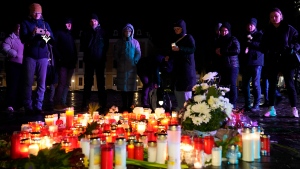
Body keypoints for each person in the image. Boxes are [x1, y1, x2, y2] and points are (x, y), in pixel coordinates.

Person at [260, 7, 299, 117]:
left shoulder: (288, 28)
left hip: (287, 59)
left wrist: (292, 48)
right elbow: (262, 44)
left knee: (290, 84)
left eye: (275, 16)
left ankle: (294, 108)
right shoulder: (267, 29)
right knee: (272, 84)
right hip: (273, 59)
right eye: (271, 17)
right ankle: (271, 108)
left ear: (280, 16)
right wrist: (266, 50)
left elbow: (297, 41)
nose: (273, 18)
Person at [20, 3, 54, 114]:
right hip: (30, 56)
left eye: (38, 13)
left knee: (42, 82)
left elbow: (52, 41)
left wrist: (47, 36)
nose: (36, 15)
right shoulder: (25, 23)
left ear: (41, 13)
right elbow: (23, 39)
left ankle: (38, 105)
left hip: (43, 56)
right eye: (34, 12)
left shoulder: (45, 24)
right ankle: (28, 106)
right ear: (31, 12)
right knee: (28, 82)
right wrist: (33, 34)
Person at [80, 14, 109, 113]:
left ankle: (103, 104)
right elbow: (83, 46)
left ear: (98, 22)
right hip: (89, 60)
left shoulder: (103, 33)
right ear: (90, 22)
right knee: (87, 83)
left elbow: (106, 47)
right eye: (91, 21)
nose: (93, 23)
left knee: (101, 84)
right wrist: (92, 36)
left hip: (100, 61)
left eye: (95, 21)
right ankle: (85, 104)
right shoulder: (86, 32)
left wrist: (103, 57)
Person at [168, 19, 197, 111]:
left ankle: (188, 110)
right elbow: (173, 53)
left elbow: (192, 49)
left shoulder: (188, 37)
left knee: (186, 89)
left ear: (183, 29)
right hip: (177, 69)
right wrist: (169, 57)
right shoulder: (174, 39)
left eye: (178, 29)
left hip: (186, 69)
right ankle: (180, 108)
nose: (176, 31)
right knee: (178, 88)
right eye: (175, 29)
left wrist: (180, 48)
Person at [114, 23, 141, 112]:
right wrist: (118, 61)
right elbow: (116, 53)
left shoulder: (135, 42)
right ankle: (124, 105)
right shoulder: (119, 42)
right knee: (123, 89)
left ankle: (130, 105)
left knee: (131, 88)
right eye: (126, 31)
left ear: (131, 32)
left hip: (131, 68)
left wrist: (135, 61)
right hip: (122, 67)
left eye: (129, 31)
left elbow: (138, 53)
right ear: (123, 32)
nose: (127, 32)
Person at [53, 17, 78, 110]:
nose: (69, 25)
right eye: (67, 23)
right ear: (64, 24)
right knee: (62, 83)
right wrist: (59, 58)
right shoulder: (59, 33)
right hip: (63, 63)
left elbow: (74, 49)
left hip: (71, 63)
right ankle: (57, 102)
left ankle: (63, 102)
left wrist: (75, 60)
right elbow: (54, 47)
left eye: (70, 24)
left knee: (67, 83)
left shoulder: (71, 36)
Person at [240, 18, 264, 112]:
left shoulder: (260, 34)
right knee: (245, 84)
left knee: (255, 84)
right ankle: (247, 104)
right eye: (248, 25)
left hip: (256, 62)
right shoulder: (244, 35)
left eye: (252, 25)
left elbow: (261, 46)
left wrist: (250, 42)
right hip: (246, 63)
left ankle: (256, 104)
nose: (250, 27)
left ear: (255, 25)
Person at [215, 22, 240, 109]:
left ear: (229, 31)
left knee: (232, 84)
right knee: (223, 85)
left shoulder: (233, 39)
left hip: (233, 65)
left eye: (225, 30)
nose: (224, 32)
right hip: (222, 66)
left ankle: (233, 103)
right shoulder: (218, 40)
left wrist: (223, 51)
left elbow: (237, 50)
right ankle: (224, 102)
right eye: (222, 30)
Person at [1, 23, 24, 113]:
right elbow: (4, 47)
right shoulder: (10, 38)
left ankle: (19, 104)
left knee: (21, 85)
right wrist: (12, 53)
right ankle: (10, 105)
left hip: (22, 65)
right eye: (18, 28)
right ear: (15, 29)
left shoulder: (23, 38)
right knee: (12, 85)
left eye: (20, 29)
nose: (19, 30)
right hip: (13, 64)